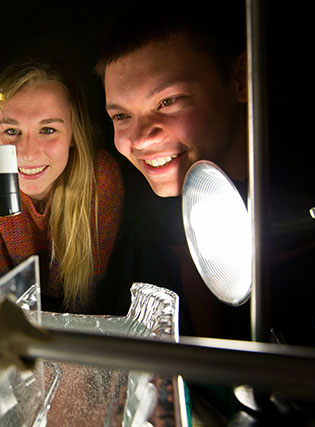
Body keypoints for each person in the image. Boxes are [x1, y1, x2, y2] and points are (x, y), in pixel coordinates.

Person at [94, 1, 250, 340]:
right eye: (121, 116)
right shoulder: (144, 211)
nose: (140, 139)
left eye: (168, 101)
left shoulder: (309, 202)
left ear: (241, 79)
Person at [0, 60, 124, 314]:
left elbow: (83, 294)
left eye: (48, 129)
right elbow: (3, 291)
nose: (28, 154)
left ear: (74, 133)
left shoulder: (100, 177)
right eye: (11, 130)